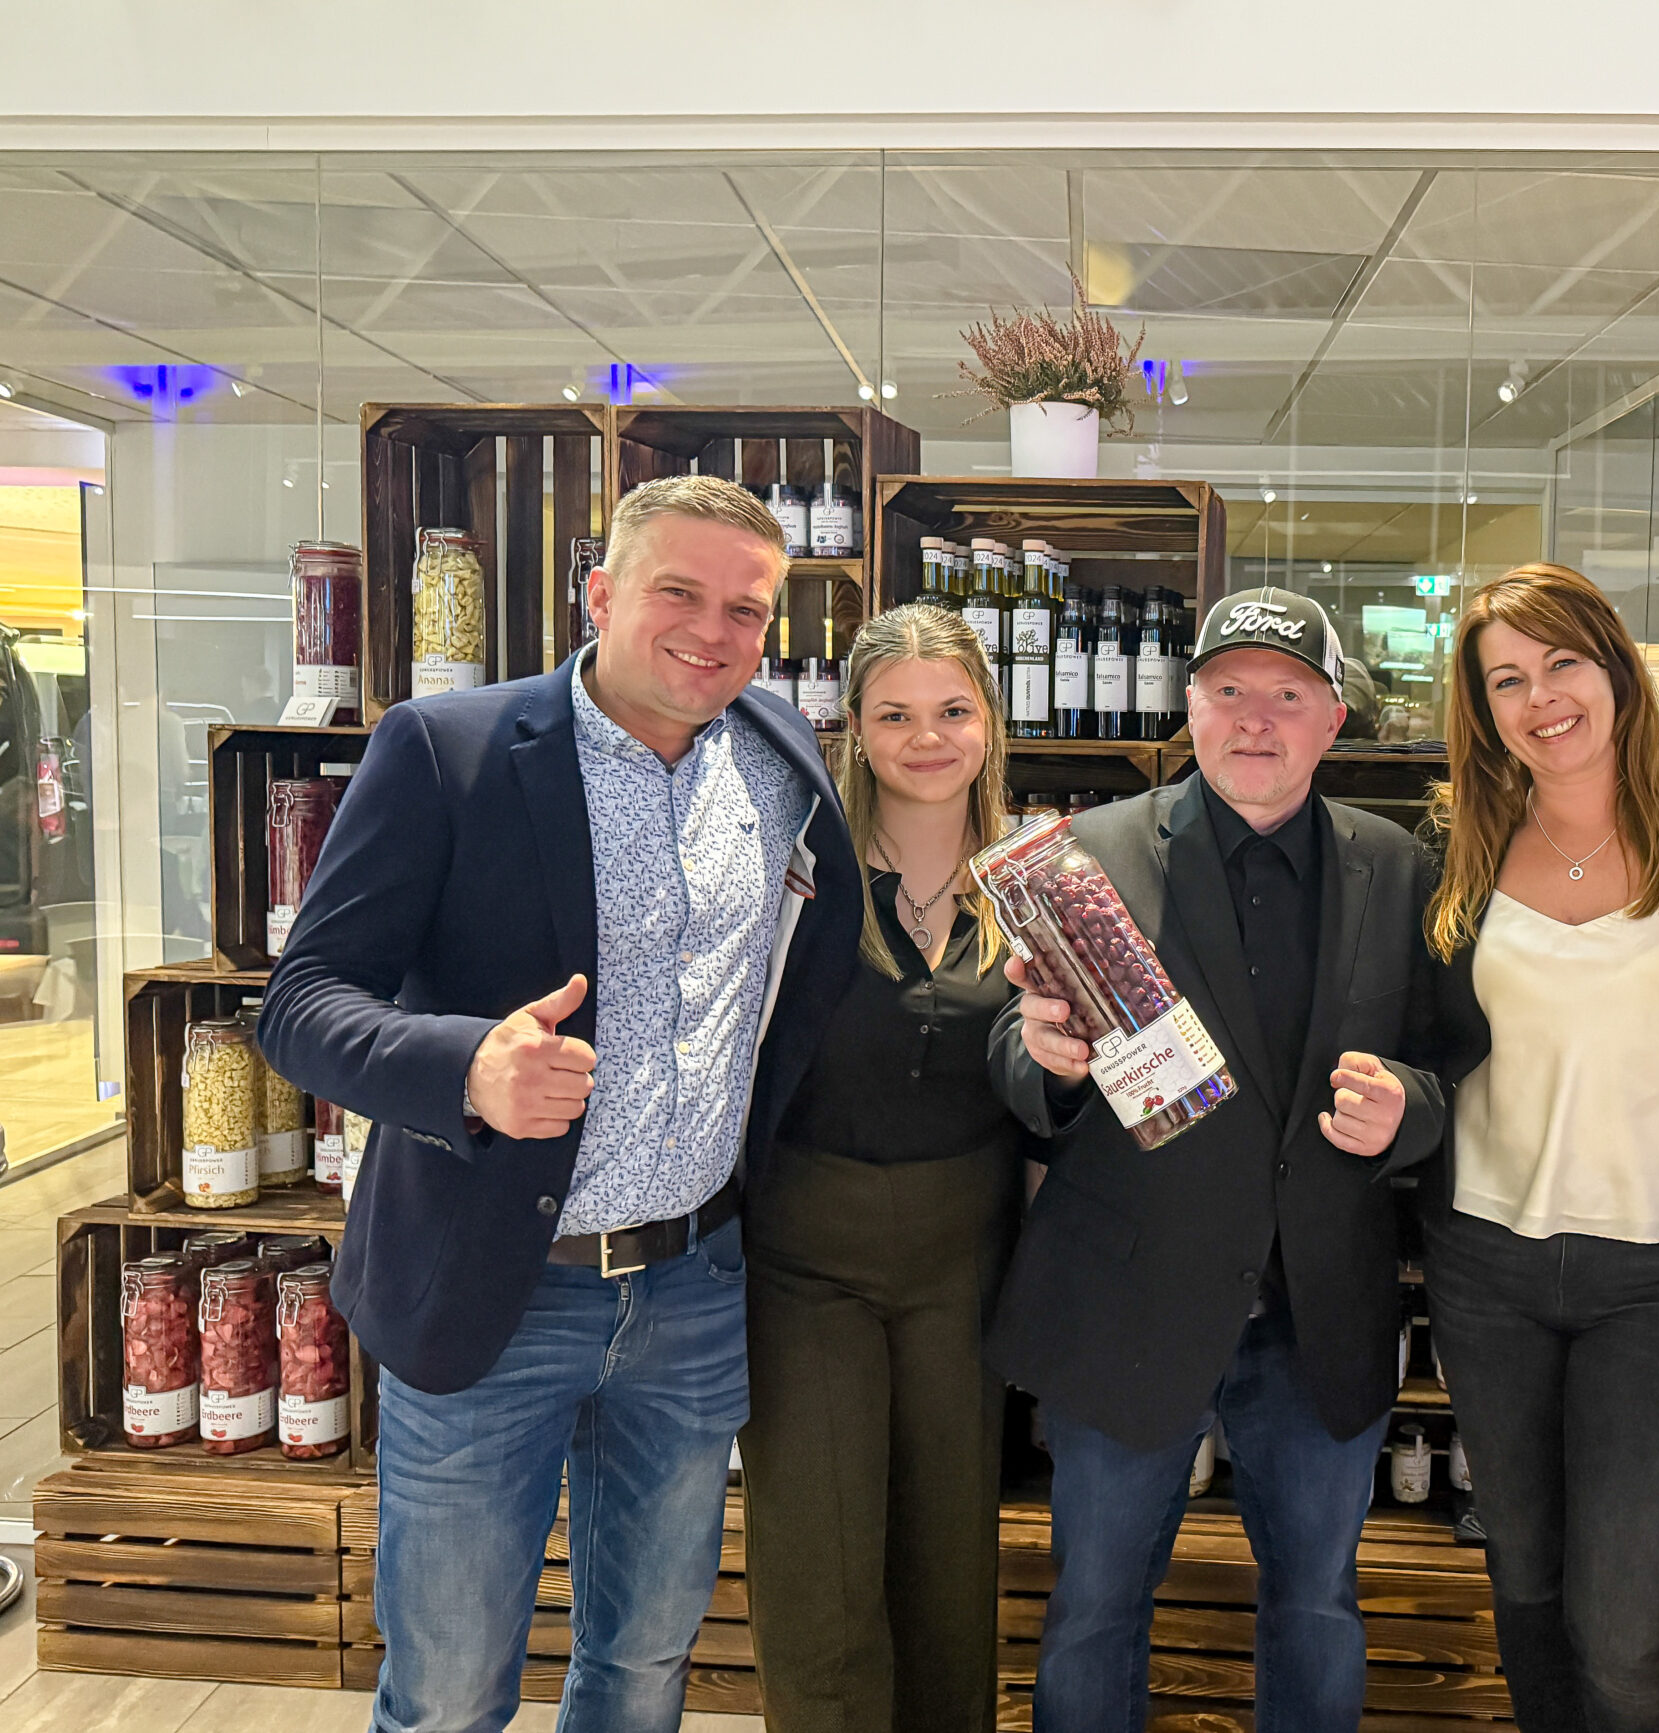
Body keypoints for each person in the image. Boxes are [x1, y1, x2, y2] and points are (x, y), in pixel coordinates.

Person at [258, 476, 855, 1733]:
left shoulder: (780, 758)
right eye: (678, 591)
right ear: (600, 594)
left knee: (641, 1669)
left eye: (746, 609)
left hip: (692, 1286)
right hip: (496, 1285)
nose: (712, 631)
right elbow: (301, 1001)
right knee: (448, 1691)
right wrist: (466, 1068)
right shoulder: (447, 748)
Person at [991, 586, 1447, 1733]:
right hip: (1129, 1300)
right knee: (1093, 1609)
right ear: (1186, 704)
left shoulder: (1397, 864)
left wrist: (1408, 1109)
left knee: (1317, 1606)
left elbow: (1446, 1062)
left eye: (1287, 694)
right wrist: (1043, 1055)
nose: (1254, 717)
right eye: (1228, 688)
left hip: (1318, 1308)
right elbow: (1012, 1046)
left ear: (1332, 718)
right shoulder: (1084, 854)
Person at [1414, 563, 1659, 1733]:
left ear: (1615, 668)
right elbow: (1418, 1042)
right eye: (1506, 679)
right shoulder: (1451, 840)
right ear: (1481, 707)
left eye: (1561, 662)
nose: (1540, 697)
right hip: (1486, 1266)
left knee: (1619, 1618)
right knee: (1522, 1578)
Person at [739, 604, 1024, 1733]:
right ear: (852, 726)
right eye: (895, 714)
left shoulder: (1037, 880)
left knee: (951, 1557)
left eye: (952, 709)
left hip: (969, 1258)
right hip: (806, 1258)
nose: (927, 737)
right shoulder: (797, 868)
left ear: (989, 720)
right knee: (820, 1557)